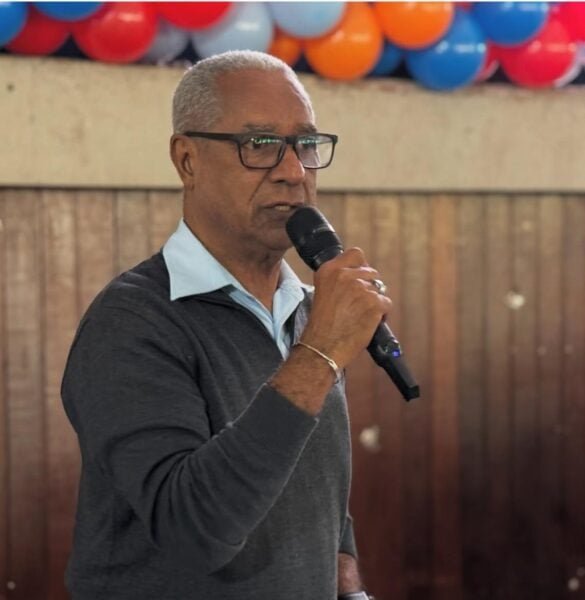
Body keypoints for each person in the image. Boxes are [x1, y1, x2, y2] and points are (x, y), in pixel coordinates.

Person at [61, 50, 390, 600]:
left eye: (306, 144)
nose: (293, 171)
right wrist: (318, 355)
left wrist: (349, 587)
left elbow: (313, 486)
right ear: (187, 160)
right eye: (259, 144)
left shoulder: (309, 312)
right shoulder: (131, 321)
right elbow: (192, 530)